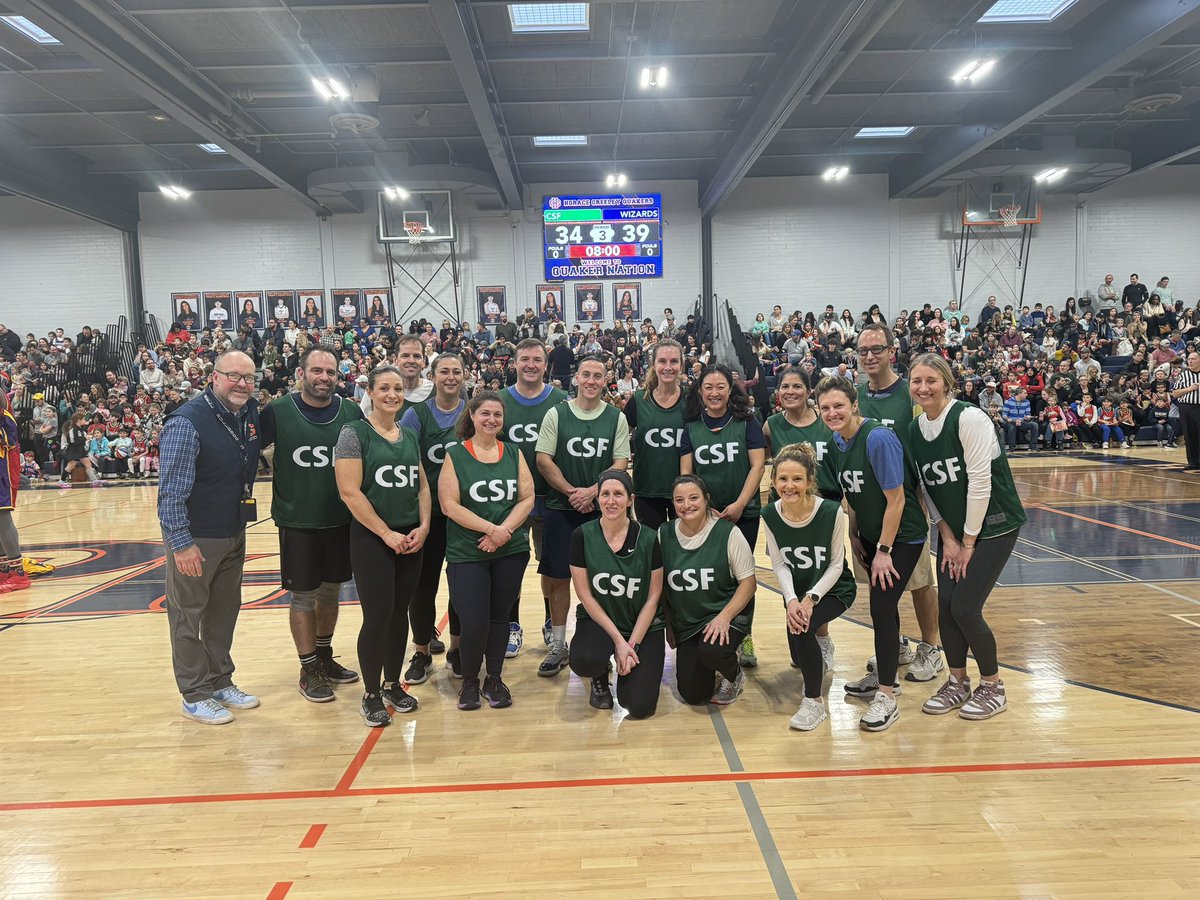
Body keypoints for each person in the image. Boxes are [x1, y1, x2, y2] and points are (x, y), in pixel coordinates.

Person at [907, 354, 1026, 719]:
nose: (923, 388)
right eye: (916, 381)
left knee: (965, 607)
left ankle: (993, 686)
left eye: (931, 380)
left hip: (994, 526)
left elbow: (979, 483)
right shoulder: (914, 430)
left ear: (947, 382)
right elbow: (929, 488)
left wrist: (968, 543)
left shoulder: (969, 418)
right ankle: (958, 682)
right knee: (946, 607)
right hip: (955, 531)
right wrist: (947, 535)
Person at [816, 375, 929, 732]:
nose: (832, 413)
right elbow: (851, 494)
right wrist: (854, 532)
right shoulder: (836, 441)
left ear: (854, 406)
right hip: (870, 535)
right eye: (825, 408)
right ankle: (886, 675)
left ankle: (886, 696)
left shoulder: (877, 437)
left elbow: (896, 499)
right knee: (883, 607)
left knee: (881, 607)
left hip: (903, 537)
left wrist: (883, 550)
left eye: (839, 406)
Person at [157, 350, 263, 725]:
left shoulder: (246, 413)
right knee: (187, 616)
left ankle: (220, 680)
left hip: (233, 531)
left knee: (222, 613)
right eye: (233, 375)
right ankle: (194, 693)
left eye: (249, 378)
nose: (242, 384)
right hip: (196, 538)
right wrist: (181, 543)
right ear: (213, 377)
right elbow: (170, 491)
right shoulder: (187, 422)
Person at [260, 347, 363, 703]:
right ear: (301, 373)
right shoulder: (277, 411)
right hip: (297, 520)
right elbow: (250, 451)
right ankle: (308, 668)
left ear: (338, 376)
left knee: (331, 593)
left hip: (339, 519)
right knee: (303, 596)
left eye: (330, 372)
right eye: (316, 370)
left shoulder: (350, 411)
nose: (324, 377)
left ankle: (323, 655)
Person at [334, 365, 430, 727]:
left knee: (399, 612)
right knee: (377, 616)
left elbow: (421, 486)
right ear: (370, 393)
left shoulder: (407, 433)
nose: (392, 394)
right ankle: (371, 693)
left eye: (397, 389)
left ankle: (393, 684)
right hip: (372, 538)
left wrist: (423, 526)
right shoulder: (353, 432)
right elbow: (349, 491)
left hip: (409, 537)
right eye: (384, 388)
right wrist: (385, 533)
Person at [853, 323, 943, 682]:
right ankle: (897, 648)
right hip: (866, 506)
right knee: (880, 588)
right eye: (863, 351)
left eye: (877, 349)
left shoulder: (911, 395)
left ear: (893, 351)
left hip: (905, 505)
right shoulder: (855, 395)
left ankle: (931, 648)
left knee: (921, 581)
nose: (870, 356)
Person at [535, 354, 630, 677]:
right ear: (576, 378)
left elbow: (620, 463)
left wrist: (593, 492)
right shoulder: (556, 414)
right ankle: (559, 643)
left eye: (598, 376)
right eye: (586, 375)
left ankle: (604, 639)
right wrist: (572, 492)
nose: (591, 381)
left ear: (606, 381)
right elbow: (544, 460)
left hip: (603, 512)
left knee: (602, 580)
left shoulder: (615, 417)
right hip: (562, 508)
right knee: (559, 578)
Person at [439, 391, 533, 710]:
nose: (492, 419)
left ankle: (494, 677)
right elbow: (449, 505)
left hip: (510, 549)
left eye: (497, 414)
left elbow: (527, 497)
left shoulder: (513, 452)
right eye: (485, 413)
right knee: (474, 620)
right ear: (473, 417)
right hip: (468, 551)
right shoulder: (456, 454)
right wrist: (491, 530)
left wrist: (504, 532)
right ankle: (469, 681)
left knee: (499, 618)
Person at [761, 443, 855, 731]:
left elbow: (837, 565)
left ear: (810, 482)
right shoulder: (770, 513)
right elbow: (779, 564)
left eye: (797, 479)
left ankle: (814, 703)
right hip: (797, 591)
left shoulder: (830, 512)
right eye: (783, 479)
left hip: (834, 588)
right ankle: (823, 644)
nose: (789, 486)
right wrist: (791, 600)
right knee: (799, 657)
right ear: (774, 480)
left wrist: (810, 598)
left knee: (803, 629)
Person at [679, 364, 766, 668]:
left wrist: (741, 503)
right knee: (715, 578)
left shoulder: (747, 422)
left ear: (731, 390)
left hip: (743, 513)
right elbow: (686, 474)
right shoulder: (691, 426)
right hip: (706, 517)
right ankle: (713, 630)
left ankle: (744, 636)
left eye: (720, 387)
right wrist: (700, 509)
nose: (714, 393)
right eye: (708, 387)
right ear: (699, 391)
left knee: (742, 576)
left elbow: (758, 466)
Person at [567, 469, 664, 717]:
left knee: (639, 707)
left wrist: (631, 644)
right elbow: (585, 595)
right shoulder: (582, 536)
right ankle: (600, 673)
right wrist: (619, 642)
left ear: (630, 500)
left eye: (618, 494)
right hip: (600, 621)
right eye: (605, 494)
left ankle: (628, 670)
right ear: (597, 498)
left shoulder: (650, 538)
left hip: (641, 625)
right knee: (584, 659)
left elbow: (653, 597)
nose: (611, 501)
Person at [763, 366, 840, 670]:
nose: (790, 391)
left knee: (819, 574)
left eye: (797, 386)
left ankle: (822, 637)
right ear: (777, 392)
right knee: (790, 571)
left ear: (809, 391)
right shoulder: (770, 426)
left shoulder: (827, 422)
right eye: (785, 387)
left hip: (822, 511)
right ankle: (797, 622)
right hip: (785, 514)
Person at [398, 353, 467, 683]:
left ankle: (456, 649)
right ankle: (422, 651)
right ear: (433, 376)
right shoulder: (416, 415)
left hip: (462, 516)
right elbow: (404, 461)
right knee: (422, 587)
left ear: (464, 376)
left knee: (460, 586)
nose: (450, 377)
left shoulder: (472, 413)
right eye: (444, 372)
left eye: (456, 372)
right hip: (427, 515)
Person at [659, 475, 757, 706]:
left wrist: (724, 617)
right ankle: (710, 662)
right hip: (687, 623)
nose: (686, 505)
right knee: (694, 695)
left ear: (706, 500)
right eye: (679, 500)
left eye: (693, 498)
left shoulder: (728, 533)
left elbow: (749, 584)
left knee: (712, 650)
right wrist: (669, 626)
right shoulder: (663, 534)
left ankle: (733, 675)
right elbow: (660, 585)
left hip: (723, 615)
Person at [500, 339, 568, 655]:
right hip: (511, 501)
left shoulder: (562, 400)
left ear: (546, 364)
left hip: (553, 498)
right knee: (511, 565)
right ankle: (512, 625)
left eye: (537, 359)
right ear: (514, 363)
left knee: (551, 566)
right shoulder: (499, 401)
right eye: (524, 358)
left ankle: (548, 622)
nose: (531, 365)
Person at [625, 339, 686, 529]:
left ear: (681, 365)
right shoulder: (638, 400)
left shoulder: (692, 399)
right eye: (662, 361)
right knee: (653, 553)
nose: (668, 367)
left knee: (683, 552)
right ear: (653, 365)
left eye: (674, 361)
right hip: (647, 491)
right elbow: (619, 435)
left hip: (683, 492)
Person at [0, 389, 32, 594]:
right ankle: (4, 569)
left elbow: (7, 432)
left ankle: (18, 574)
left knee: (2, 516)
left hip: (2, 462)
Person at [360, 335, 433, 418]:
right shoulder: (376, 389)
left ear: (423, 362)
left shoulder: (434, 391)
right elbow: (363, 424)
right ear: (396, 360)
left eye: (417, 356)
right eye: (405, 356)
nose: (411, 361)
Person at [1171, 351, 1200, 472]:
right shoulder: (1184, 375)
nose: (1190, 361)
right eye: (1189, 359)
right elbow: (1175, 393)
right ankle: (1193, 462)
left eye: (1193, 359)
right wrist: (1190, 388)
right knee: (1189, 435)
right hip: (1187, 408)